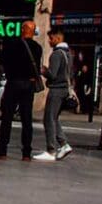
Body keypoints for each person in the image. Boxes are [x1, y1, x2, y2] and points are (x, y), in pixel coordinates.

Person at [0, 20, 43, 161]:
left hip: (14, 83)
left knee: (7, 117)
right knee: (26, 118)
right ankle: (26, 152)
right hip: (29, 85)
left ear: (23, 29)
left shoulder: (12, 44)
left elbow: (3, 62)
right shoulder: (37, 47)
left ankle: (2, 148)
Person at [35, 27, 73, 162]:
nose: (49, 41)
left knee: (48, 119)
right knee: (54, 118)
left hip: (56, 90)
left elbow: (53, 74)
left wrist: (44, 71)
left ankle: (51, 149)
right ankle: (63, 144)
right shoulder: (68, 54)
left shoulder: (56, 54)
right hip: (64, 90)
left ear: (57, 38)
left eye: (51, 39)